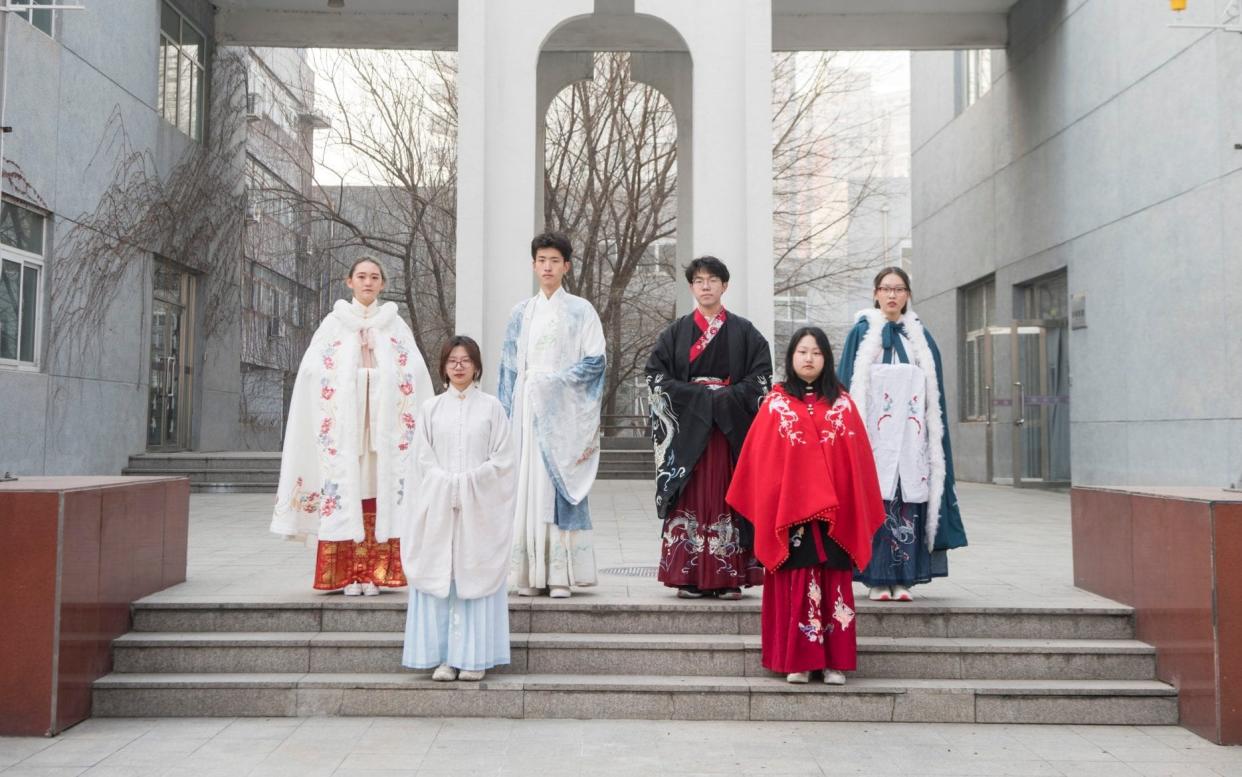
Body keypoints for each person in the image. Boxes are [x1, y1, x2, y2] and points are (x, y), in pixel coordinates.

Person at [727, 327, 885, 685]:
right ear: (791, 358)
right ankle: (798, 660)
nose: (809, 358)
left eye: (816, 352)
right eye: (802, 351)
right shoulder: (775, 404)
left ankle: (833, 662)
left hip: (835, 518)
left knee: (833, 582)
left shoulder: (843, 405)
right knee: (796, 581)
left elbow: (857, 466)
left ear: (826, 358)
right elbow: (759, 464)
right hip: (790, 518)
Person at [271, 256, 435, 595]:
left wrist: (378, 372)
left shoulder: (394, 325)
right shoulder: (334, 325)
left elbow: (414, 376)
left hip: (383, 437)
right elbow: (314, 376)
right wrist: (361, 377)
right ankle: (346, 574)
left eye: (375, 277)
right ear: (349, 282)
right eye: (361, 276)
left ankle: (375, 572)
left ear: (383, 284)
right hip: (345, 435)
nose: (368, 282)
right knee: (347, 491)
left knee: (379, 493)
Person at [838, 267, 968, 602]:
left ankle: (904, 579)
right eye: (886, 288)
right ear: (875, 293)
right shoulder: (862, 334)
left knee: (906, 502)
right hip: (874, 439)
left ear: (908, 295)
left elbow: (933, 392)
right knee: (876, 501)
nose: (892, 295)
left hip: (912, 439)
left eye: (899, 289)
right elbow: (846, 384)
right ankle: (876, 578)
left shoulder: (920, 338)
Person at [645, 256, 772, 599]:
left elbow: (762, 378)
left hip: (728, 432)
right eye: (699, 280)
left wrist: (725, 399)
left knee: (727, 494)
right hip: (688, 435)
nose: (705, 286)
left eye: (712, 280)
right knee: (691, 493)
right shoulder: (675, 333)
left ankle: (728, 575)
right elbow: (656, 378)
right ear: (691, 287)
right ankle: (686, 574)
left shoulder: (745, 332)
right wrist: (699, 399)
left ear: (724, 285)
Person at [402, 336, 515, 682]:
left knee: (473, 574)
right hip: (438, 507)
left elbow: (504, 459)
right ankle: (443, 658)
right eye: (452, 360)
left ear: (477, 366)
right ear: (444, 366)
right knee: (443, 577)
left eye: (466, 360)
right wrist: (444, 482)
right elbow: (422, 457)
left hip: (479, 509)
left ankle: (474, 657)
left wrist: (471, 481)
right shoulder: (431, 409)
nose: (459, 366)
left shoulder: (492, 408)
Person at [499, 232, 606, 599]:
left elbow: (595, 363)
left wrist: (555, 384)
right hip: (526, 409)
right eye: (541, 260)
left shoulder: (581, 310)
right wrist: (505, 419)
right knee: (526, 484)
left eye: (554, 261)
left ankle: (561, 574)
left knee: (555, 484)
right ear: (533, 265)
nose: (547, 266)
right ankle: (528, 573)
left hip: (562, 413)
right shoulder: (520, 313)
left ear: (567, 266)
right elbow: (507, 370)